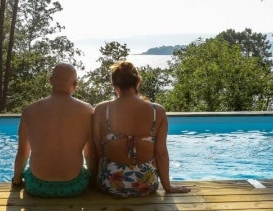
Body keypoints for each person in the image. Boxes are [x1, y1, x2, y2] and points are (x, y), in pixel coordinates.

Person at [93, 61, 190, 197]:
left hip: (110, 184)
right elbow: (161, 153)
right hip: (146, 184)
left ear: (114, 85)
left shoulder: (102, 109)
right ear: (138, 82)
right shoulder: (157, 111)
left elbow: (98, 151)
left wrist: (93, 181)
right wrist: (167, 186)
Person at [12, 63, 96, 197]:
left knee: (28, 171)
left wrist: (16, 180)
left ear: (51, 81)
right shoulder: (87, 110)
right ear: (75, 85)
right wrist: (93, 180)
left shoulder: (29, 110)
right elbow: (90, 153)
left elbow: (22, 152)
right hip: (74, 186)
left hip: (37, 186)